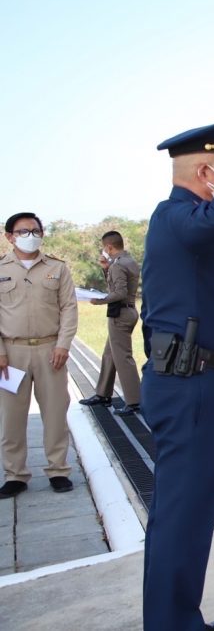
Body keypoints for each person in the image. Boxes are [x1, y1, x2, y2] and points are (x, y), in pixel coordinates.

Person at [141, 117, 214, 631]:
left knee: (187, 512)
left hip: (194, 378)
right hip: (185, 381)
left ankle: (177, 618)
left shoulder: (187, 225)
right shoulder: (175, 216)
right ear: (206, 171)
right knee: (182, 512)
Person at [0, 212, 78, 500]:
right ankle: (15, 475)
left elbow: (69, 307)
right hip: (12, 353)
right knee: (11, 418)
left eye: (35, 231)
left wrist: (63, 345)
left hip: (50, 351)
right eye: (23, 231)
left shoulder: (57, 268)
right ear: (10, 237)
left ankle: (58, 471)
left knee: (55, 413)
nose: (30, 236)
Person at [79, 230, 142, 415]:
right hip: (129, 310)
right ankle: (103, 394)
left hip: (120, 313)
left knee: (123, 357)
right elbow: (119, 285)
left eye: (104, 248)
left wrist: (99, 300)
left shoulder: (118, 265)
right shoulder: (129, 261)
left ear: (108, 247)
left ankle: (134, 401)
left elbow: (119, 292)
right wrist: (106, 268)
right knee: (110, 354)